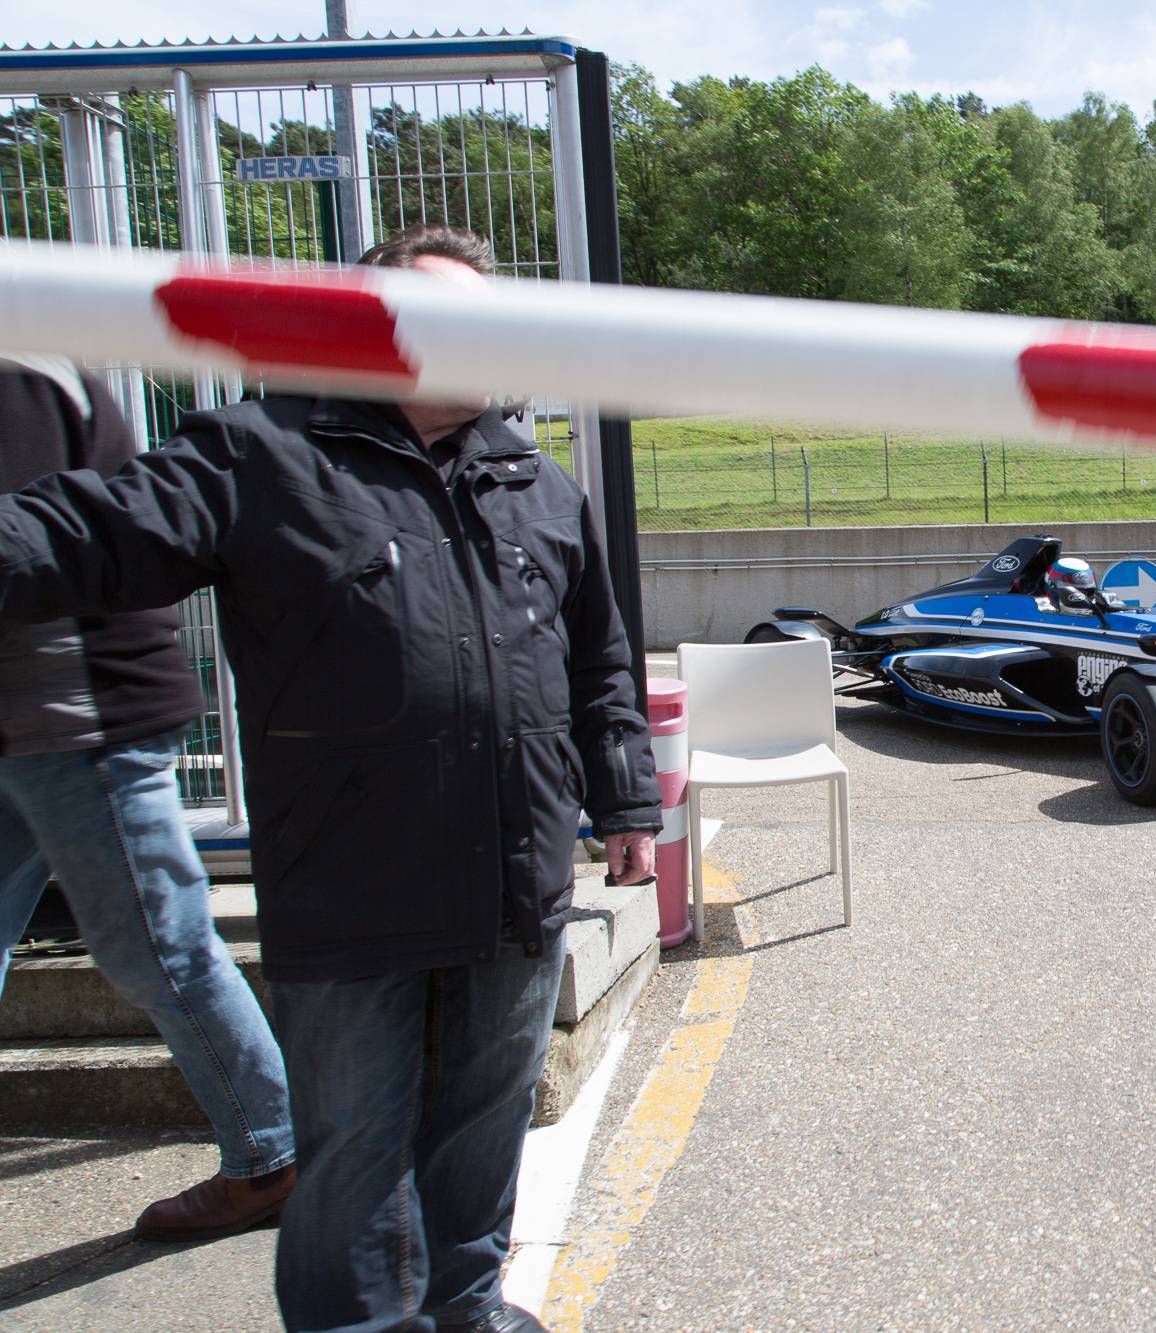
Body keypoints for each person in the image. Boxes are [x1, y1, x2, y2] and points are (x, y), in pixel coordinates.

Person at [0, 228, 663, 1333]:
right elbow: (86, 533)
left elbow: (597, 657)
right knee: (353, 1156)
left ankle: (467, 1311)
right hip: (354, 893)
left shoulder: (536, 485)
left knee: (480, 1133)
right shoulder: (262, 453)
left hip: (515, 881)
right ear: (372, 326)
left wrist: (625, 795)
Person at [0, 353, 296, 1239]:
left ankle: (272, 1154)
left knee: (158, 949)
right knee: (159, 945)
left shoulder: (19, 369)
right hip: (40, 717)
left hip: (83, 715)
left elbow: (37, 544)